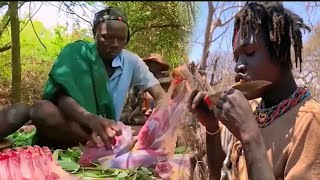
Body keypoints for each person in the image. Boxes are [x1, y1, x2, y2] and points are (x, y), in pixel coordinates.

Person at [188, 2, 320, 180]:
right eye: (237, 58)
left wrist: (249, 135)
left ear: (279, 50)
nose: (238, 66)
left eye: (249, 52)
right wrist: (212, 127)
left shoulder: (311, 122)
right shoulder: (253, 111)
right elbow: (217, 175)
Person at [30, 6, 166, 149]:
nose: (114, 44)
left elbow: (161, 95)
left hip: (108, 130)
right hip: (76, 124)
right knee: (40, 110)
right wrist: (90, 119)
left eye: (121, 39)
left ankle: (100, 144)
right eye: (106, 37)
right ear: (95, 33)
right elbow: (61, 97)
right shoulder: (77, 54)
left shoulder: (132, 61)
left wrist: (159, 120)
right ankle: (99, 144)